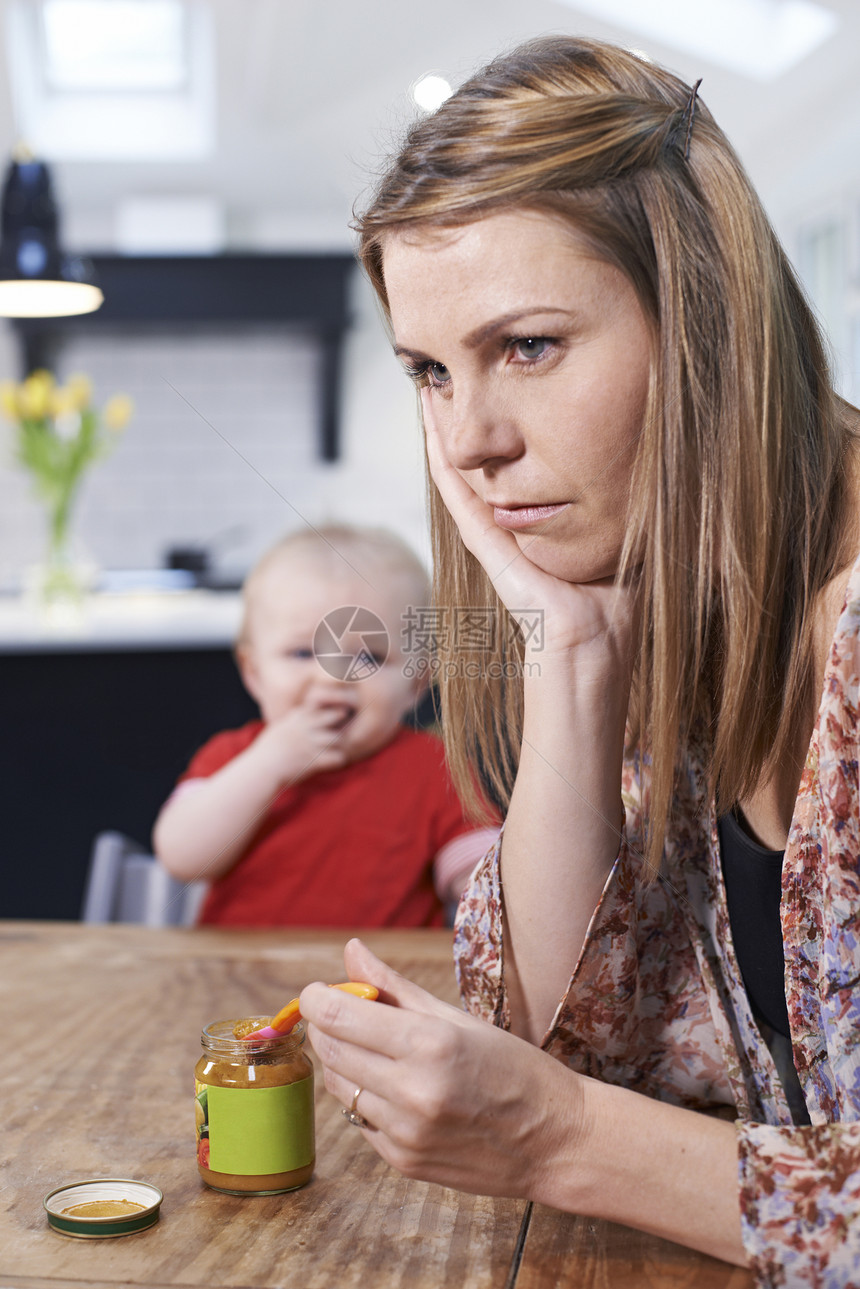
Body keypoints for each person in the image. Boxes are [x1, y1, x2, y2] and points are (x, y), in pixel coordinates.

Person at [297, 35, 860, 1287]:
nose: (472, 441)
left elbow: (555, 1103)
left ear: (706, 316)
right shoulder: (674, 586)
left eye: (530, 347)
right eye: (431, 371)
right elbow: (570, 1032)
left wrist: (559, 1138)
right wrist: (572, 656)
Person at [153, 524, 499, 927]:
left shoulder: (437, 768)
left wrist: (479, 882)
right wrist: (268, 765)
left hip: (376, 984)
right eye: (302, 652)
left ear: (416, 683)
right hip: (243, 979)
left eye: (368, 658)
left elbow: (487, 877)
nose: (334, 676)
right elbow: (181, 858)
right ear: (254, 673)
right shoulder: (234, 756)